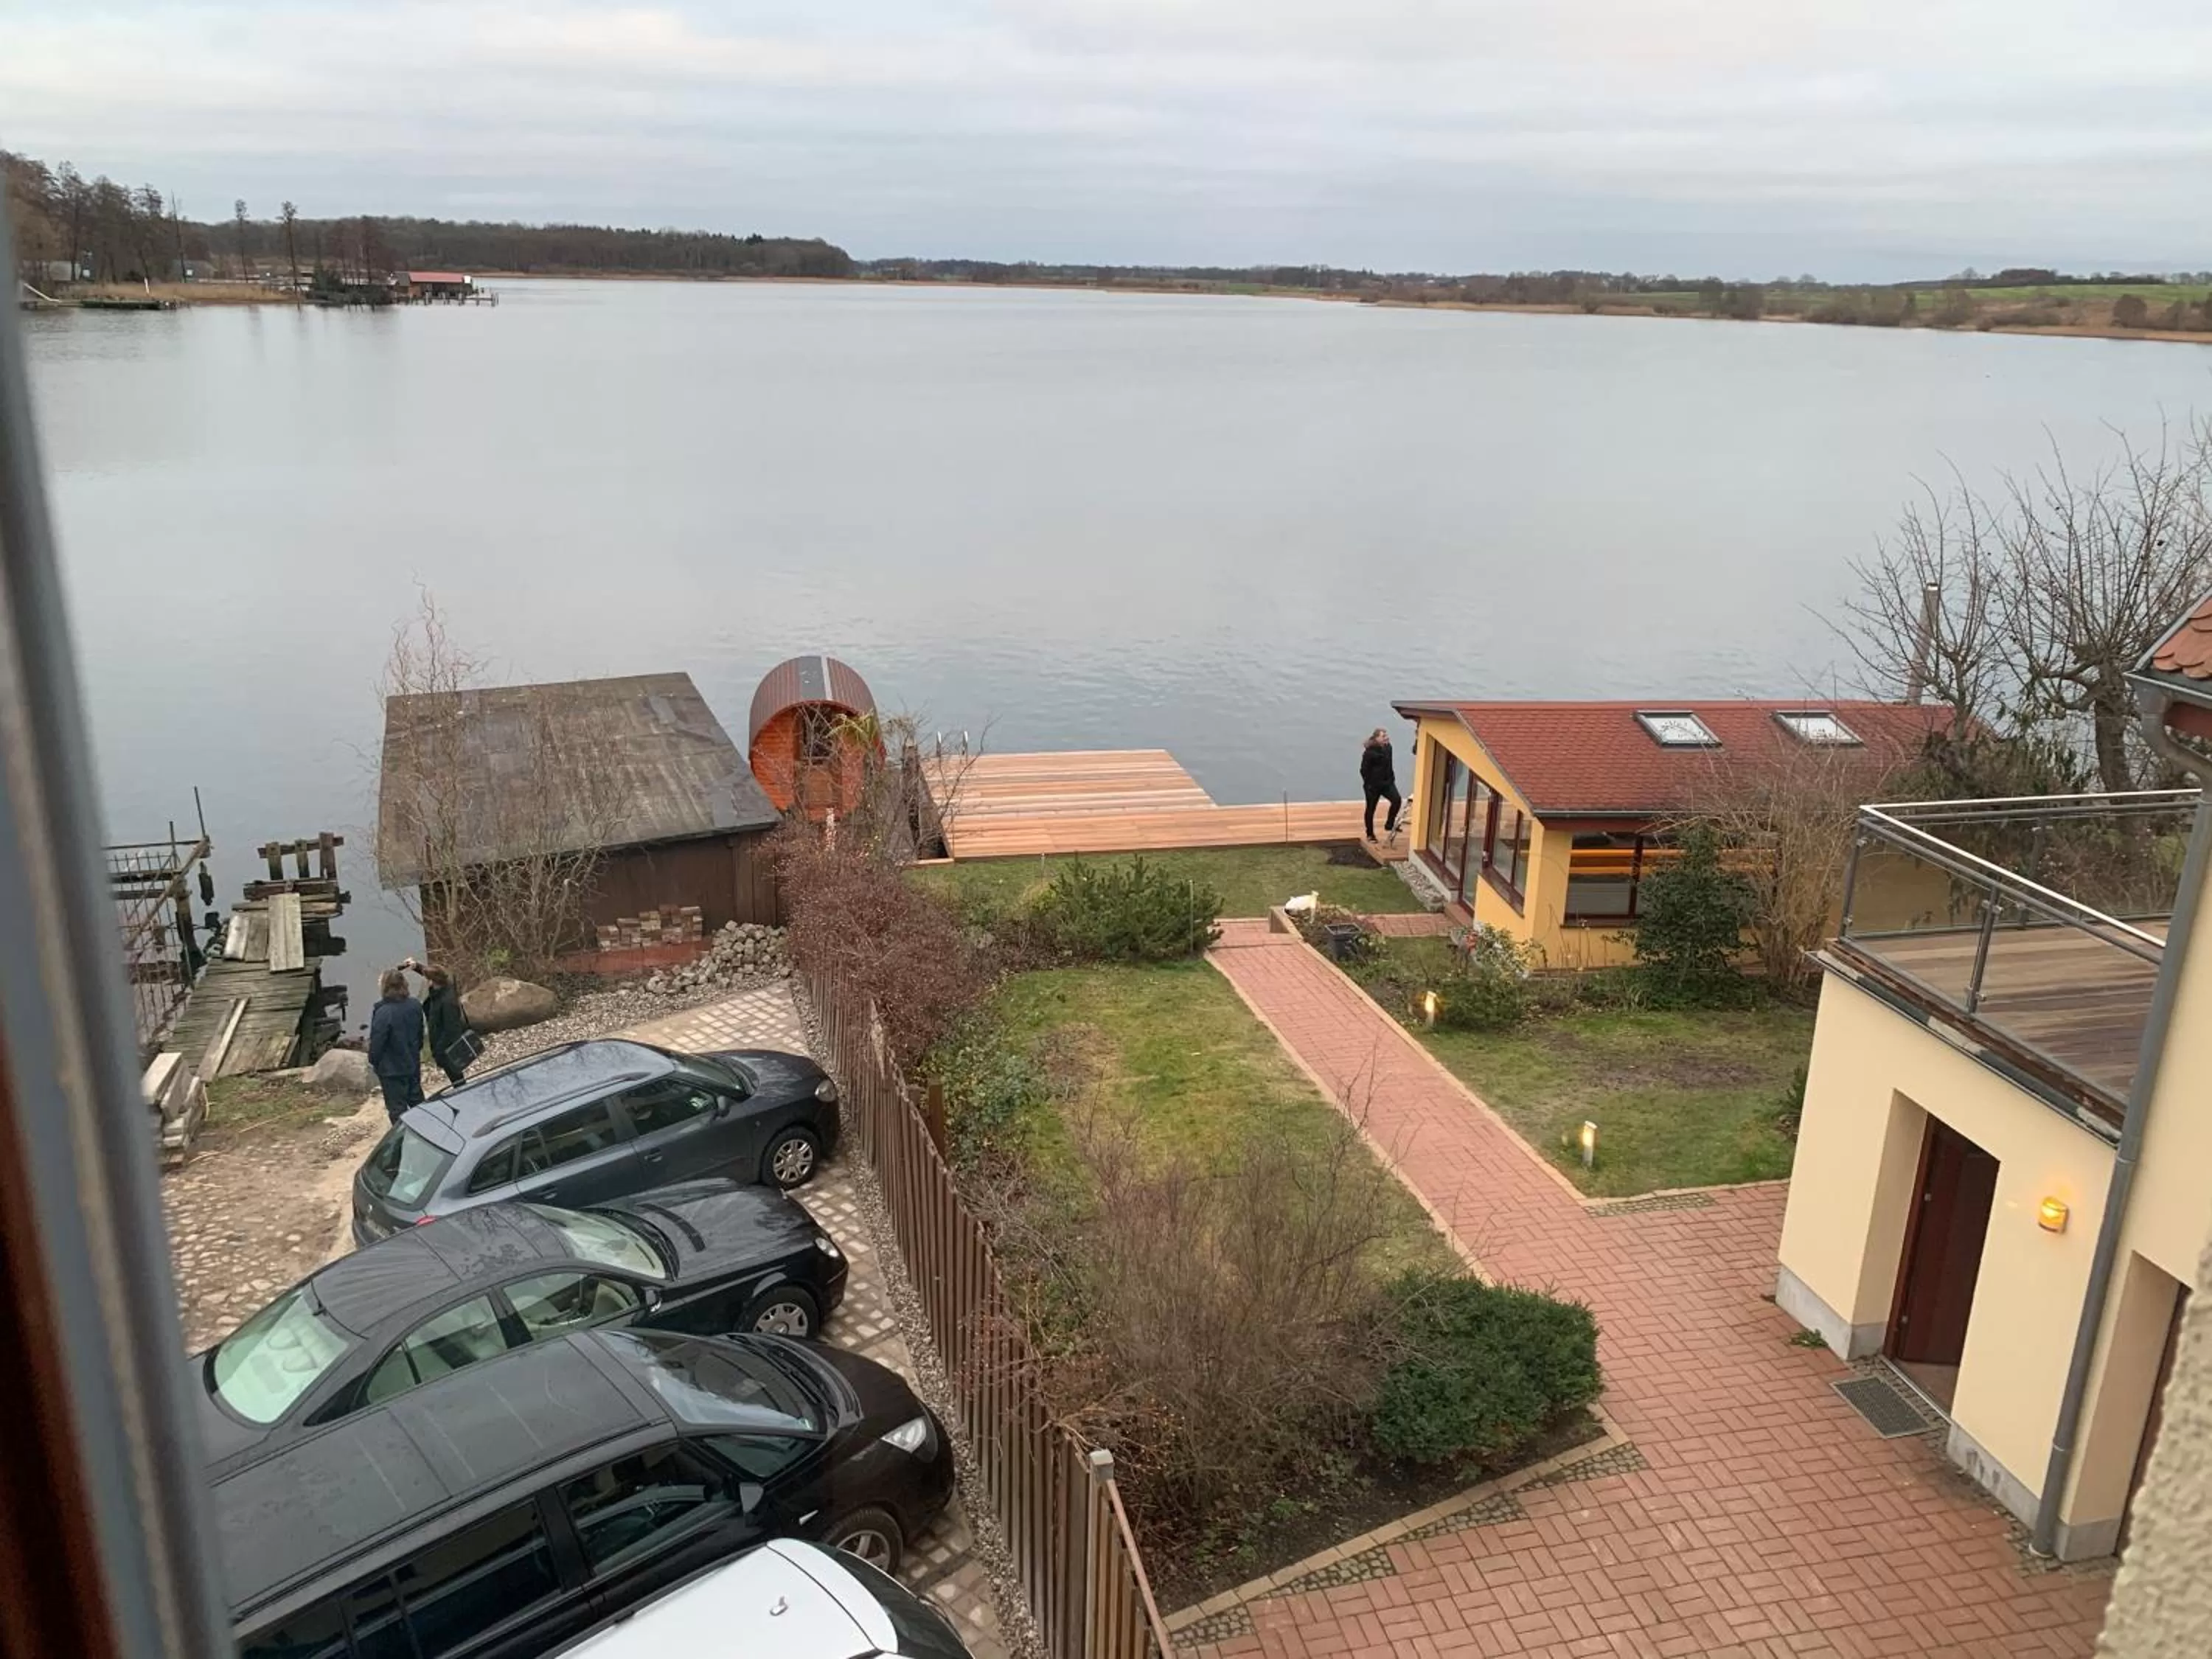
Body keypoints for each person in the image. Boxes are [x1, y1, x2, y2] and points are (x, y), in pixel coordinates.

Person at [366, 967, 426, 1124]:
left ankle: (403, 1136)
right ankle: (426, 1130)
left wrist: (374, 1061)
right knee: (418, 1103)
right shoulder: (415, 1005)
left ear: (385, 986)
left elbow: (377, 1043)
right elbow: (420, 1034)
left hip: (391, 1070)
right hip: (412, 1062)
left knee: (397, 1110)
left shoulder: (384, 1013)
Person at [406, 959, 476, 1088]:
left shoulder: (447, 1002)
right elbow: (434, 974)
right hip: (443, 1045)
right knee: (455, 1076)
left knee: (457, 1078)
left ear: (432, 982)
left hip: (447, 1048)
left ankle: (463, 1092)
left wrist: (438, 1050)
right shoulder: (444, 987)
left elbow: (452, 1030)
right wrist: (416, 966)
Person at [1360, 726, 1402, 842]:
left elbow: (1389, 764)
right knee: (1371, 809)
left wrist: (1391, 778)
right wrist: (1369, 783)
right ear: (1376, 738)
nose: (1386, 738)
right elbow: (1363, 770)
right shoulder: (1369, 753)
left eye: (1386, 735)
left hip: (1387, 783)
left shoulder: (1389, 748)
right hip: (1372, 787)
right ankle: (1370, 834)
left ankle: (1389, 824)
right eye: (1383, 736)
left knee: (1397, 800)